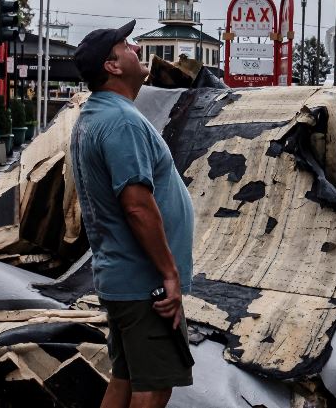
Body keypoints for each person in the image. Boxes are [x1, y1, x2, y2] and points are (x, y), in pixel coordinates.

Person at [69, 20, 195, 408]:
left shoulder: (97, 116)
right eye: (126, 45)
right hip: (145, 285)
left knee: (124, 379)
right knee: (153, 386)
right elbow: (137, 206)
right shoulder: (121, 122)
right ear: (112, 65)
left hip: (123, 277)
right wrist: (170, 274)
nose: (137, 48)